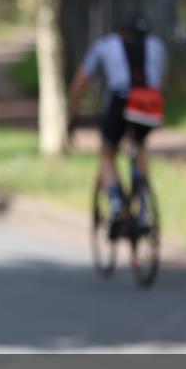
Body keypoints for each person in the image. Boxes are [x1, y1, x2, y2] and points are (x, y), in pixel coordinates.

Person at [68, 13, 167, 235]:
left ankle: (116, 203)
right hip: (150, 100)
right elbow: (161, 81)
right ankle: (142, 202)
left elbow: (82, 79)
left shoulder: (105, 45)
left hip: (120, 100)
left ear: (120, 32)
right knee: (139, 146)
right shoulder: (157, 45)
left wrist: (72, 108)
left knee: (107, 152)